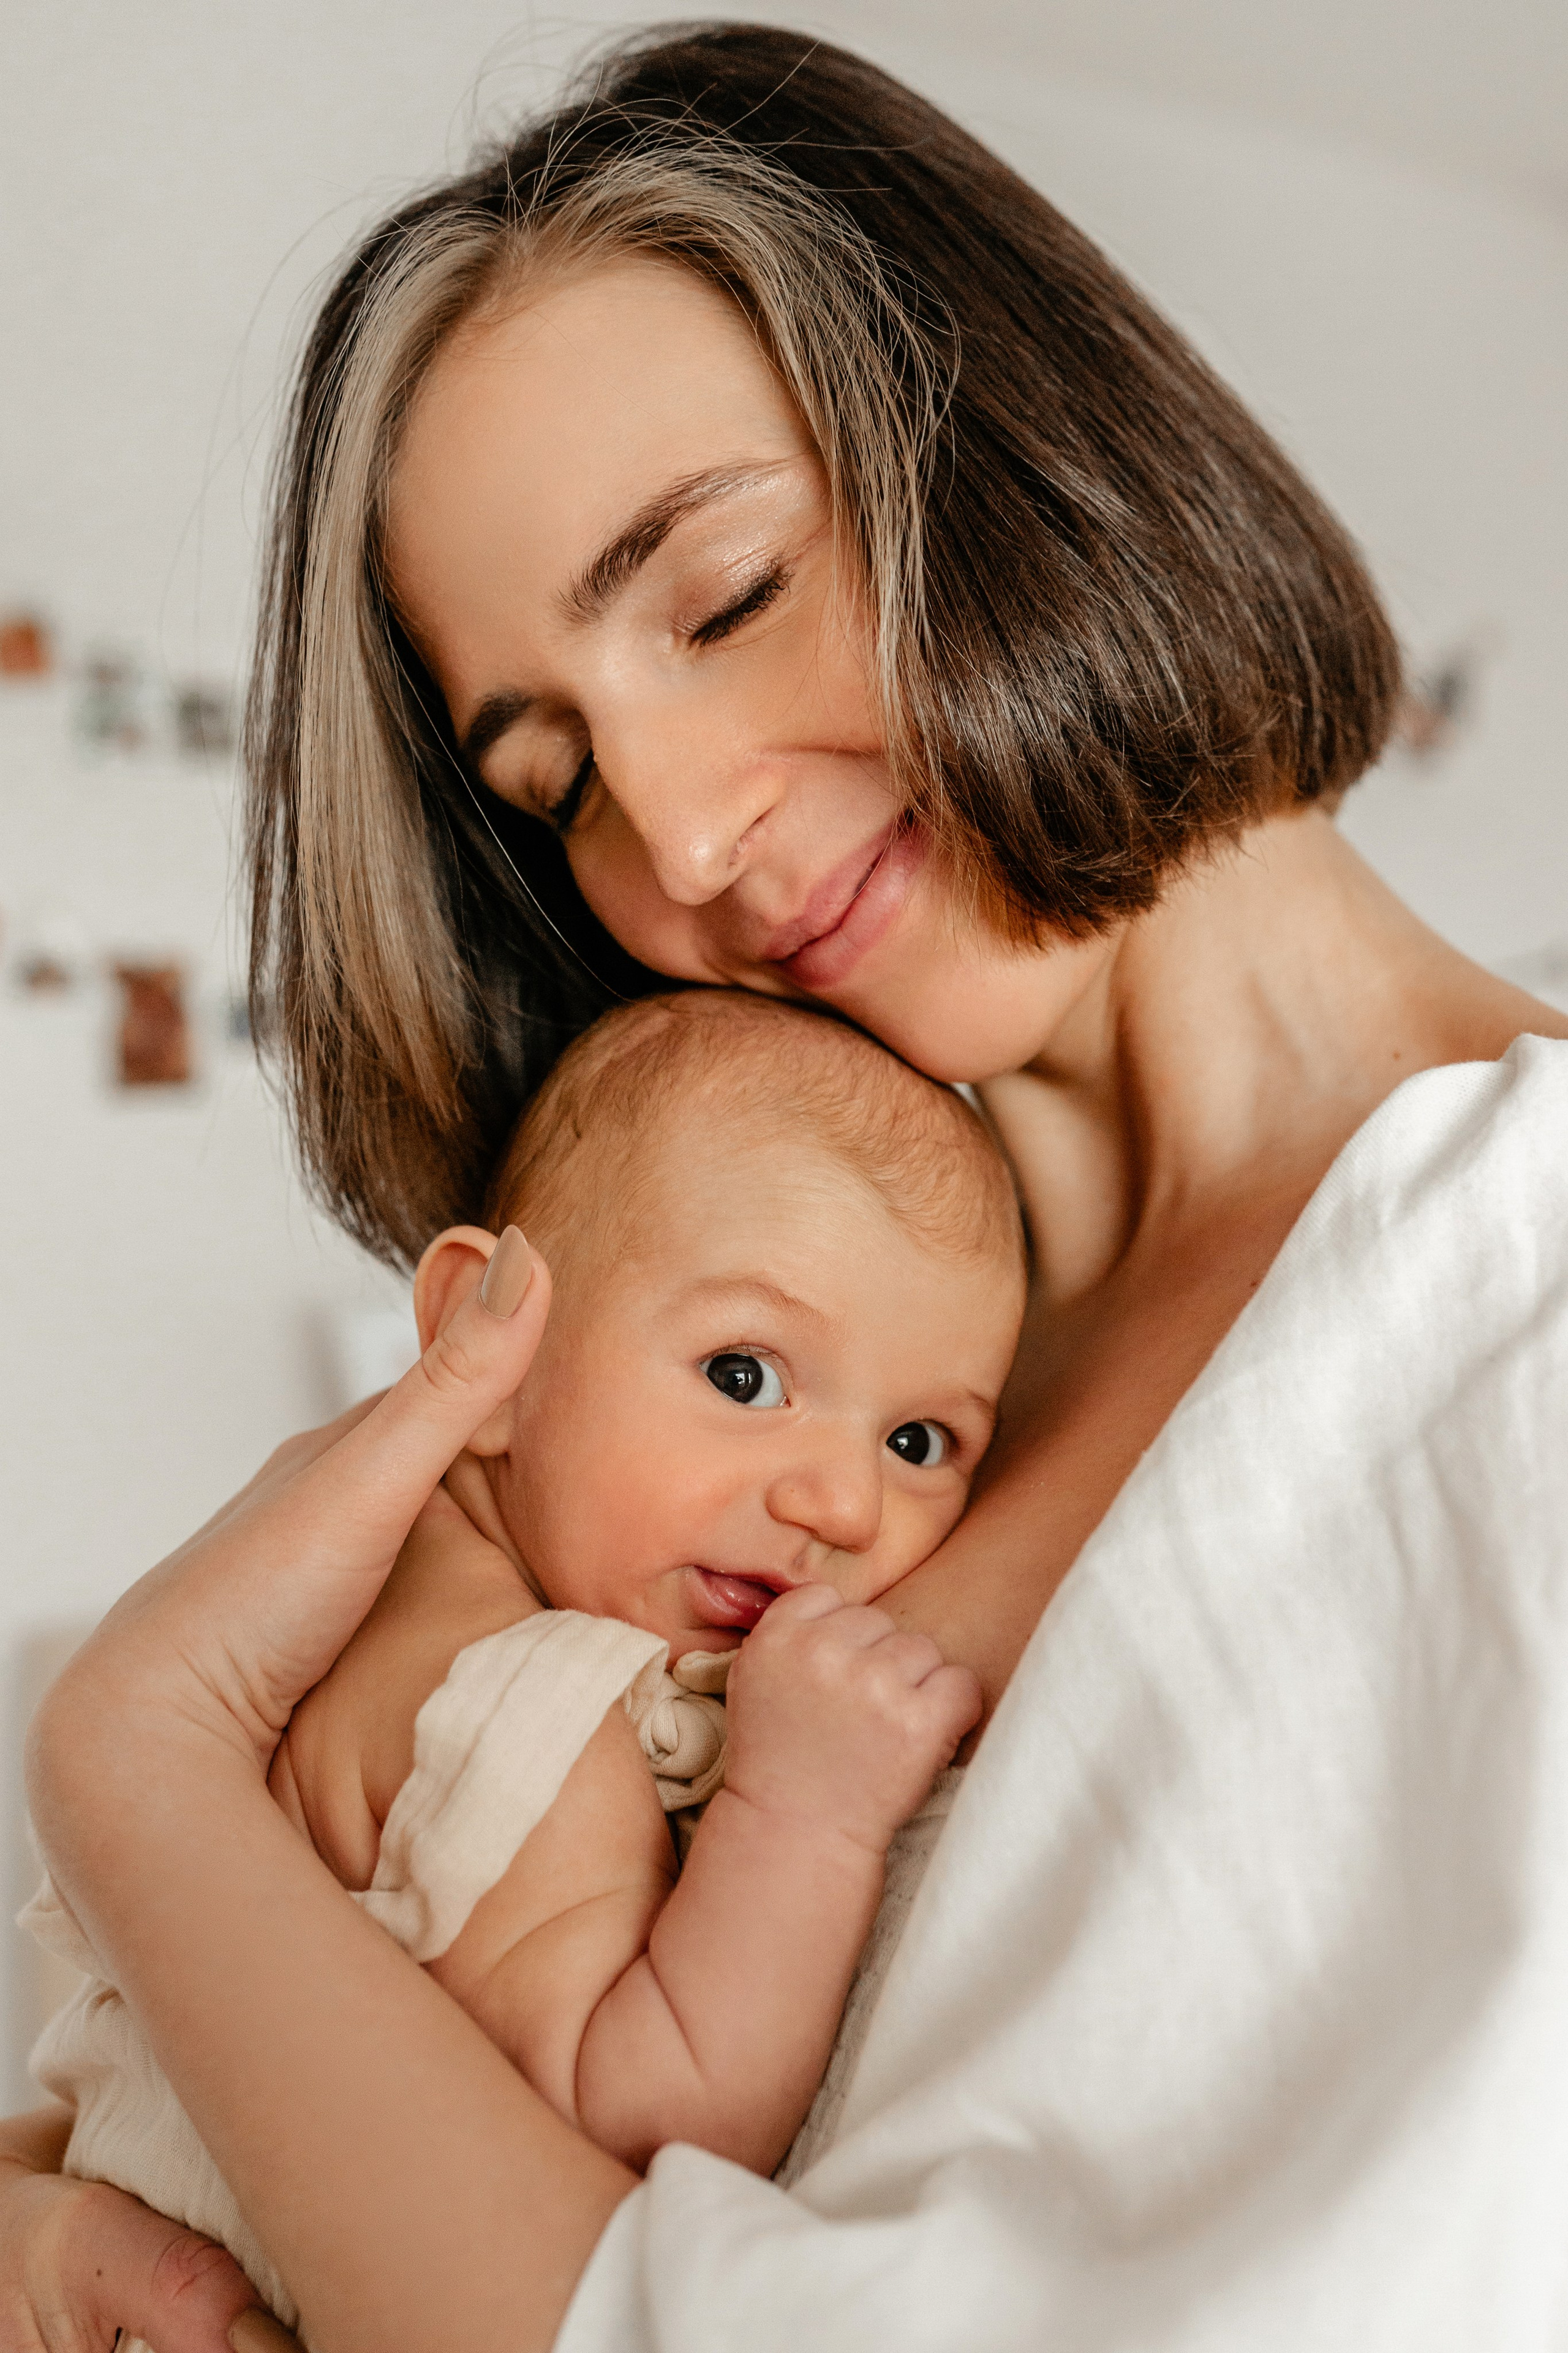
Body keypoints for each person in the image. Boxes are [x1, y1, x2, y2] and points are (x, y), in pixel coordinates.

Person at [5, 22, 1567, 2353]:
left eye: (727, 595)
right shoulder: (703, 1396)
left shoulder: (1516, 1290)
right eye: (556, 783)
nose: (681, 836)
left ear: (1036, 444)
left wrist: (136, 1769)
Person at [23, 990, 1020, 2341]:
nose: (844, 1504)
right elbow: (640, 2125)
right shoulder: (520, 1705)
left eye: (917, 1443)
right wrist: (808, 1811)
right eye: (743, 1374)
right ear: (490, 1345)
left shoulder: (331, 1626)